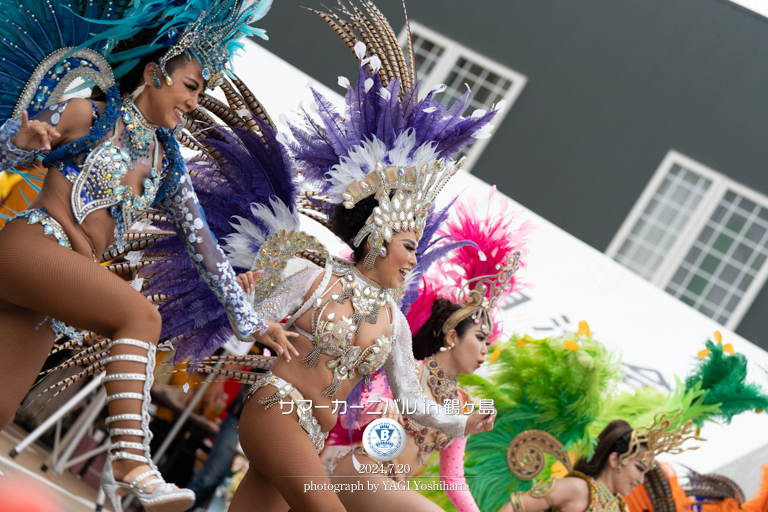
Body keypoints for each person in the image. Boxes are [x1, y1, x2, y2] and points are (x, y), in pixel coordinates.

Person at [0, 1, 288, 510]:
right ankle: (131, 464)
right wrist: (19, 143)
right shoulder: (90, 112)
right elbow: (15, 144)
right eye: (192, 86)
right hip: (33, 247)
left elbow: (206, 249)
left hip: (57, 296)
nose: (195, 103)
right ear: (155, 73)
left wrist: (249, 319)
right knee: (138, 315)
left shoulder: (167, 161)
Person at [329, 190, 531, 512]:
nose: (484, 351)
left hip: (394, 492)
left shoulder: (463, 406)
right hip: (364, 473)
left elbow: (453, 479)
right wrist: (381, 407)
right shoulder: (409, 368)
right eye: (479, 338)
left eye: (488, 344)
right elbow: (354, 411)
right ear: (452, 337)